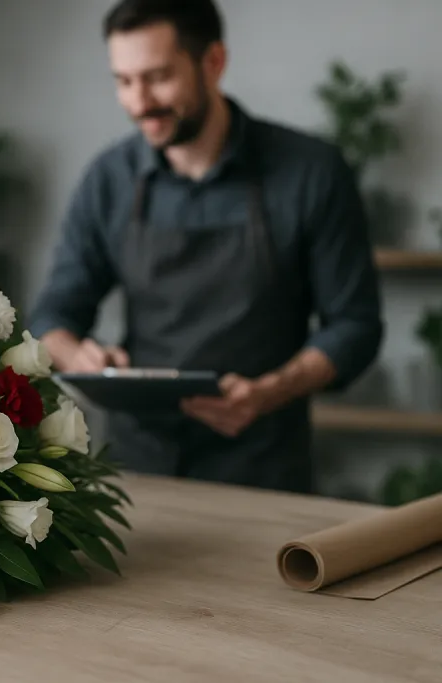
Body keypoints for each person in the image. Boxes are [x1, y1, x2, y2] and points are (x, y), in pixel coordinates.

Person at [28, 0, 383, 494]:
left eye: (157, 77)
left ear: (213, 62)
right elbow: (52, 315)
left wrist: (269, 391)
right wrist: (77, 357)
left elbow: (356, 327)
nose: (138, 102)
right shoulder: (108, 179)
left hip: (264, 467)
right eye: (124, 81)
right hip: (135, 470)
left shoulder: (311, 173)